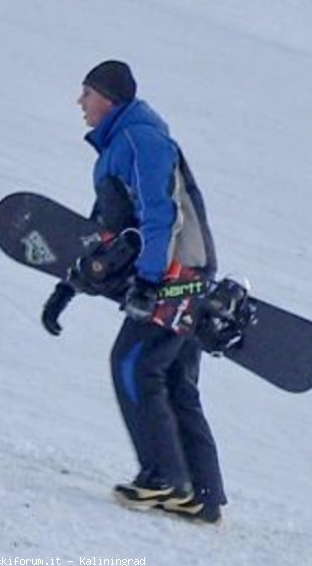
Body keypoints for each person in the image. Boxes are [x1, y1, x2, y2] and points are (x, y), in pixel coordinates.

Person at [41, 60, 226, 524]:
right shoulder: (119, 147)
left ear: (110, 98)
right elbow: (105, 229)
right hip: (177, 274)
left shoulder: (139, 139)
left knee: (135, 364)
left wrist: (146, 282)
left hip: (174, 275)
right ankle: (200, 495)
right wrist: (69, 286)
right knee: (174, 380)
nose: (79, 103)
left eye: (86, 93)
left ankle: (164, 478)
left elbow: (158, 215)